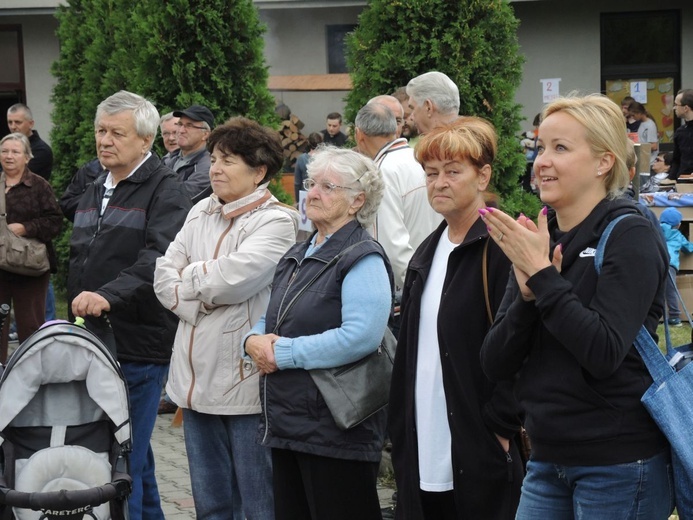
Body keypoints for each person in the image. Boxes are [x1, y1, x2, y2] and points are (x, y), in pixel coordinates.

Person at [479, 94, 674, 519]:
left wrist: (543, 278)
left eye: (560, 148)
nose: (541, 161)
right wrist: (528, 298)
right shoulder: (542, 235)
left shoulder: (630, 234)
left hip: (619, 463)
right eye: (540, 146)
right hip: (547, 458)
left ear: (604, 162)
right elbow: (494, 363)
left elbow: (602, 352)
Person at [154, 117, 298, 519]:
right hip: (192, 384)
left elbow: (232, 282)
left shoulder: (277, 221)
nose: (215, 168)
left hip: (243, 385)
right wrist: (196, 292)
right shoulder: (201, 209)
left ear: (259, 172)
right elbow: (162, 274)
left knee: (257, 503)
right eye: (214, 158)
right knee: (211, 504)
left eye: (228, 160)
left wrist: (190, 285)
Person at [244, 146, 392, 520]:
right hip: (288, 422)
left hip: (336, 431)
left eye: (328, 186)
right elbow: (273, 318)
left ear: (357, 201)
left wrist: (284, 353)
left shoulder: (363, 256)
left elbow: (361, 336)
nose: (312, 193)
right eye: (311, 183)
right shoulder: (300, 251)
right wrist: (252, 340)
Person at [388, 117, 523, 519]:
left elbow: (522, 342)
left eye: (452, 172)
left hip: (475, 444)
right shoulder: (428, 251)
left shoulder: (502, 247)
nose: (439, 183)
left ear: (483, 176)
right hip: (423, 440)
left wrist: (499, 426)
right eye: (431, 173)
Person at [68, 90, 192, 520]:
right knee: (133, 454)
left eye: (116, 133)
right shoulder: (95, 184)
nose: (105, 141)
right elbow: (83, 253)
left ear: (146, 139)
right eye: (100, 131)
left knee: (120, 461)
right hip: (96, 339)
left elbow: (158, 257)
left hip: (139, 343)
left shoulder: (167, 190)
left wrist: (107, 295)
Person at [354, 101, 441, 288]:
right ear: (395, 129)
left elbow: (390, 249)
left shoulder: (381, 172)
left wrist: (415, 288)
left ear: (359, 134)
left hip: (410, 287)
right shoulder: (419, 159)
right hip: (437, 274)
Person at [0, 133, 61, 363]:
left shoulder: (39, 186)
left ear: (27, 157)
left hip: (30, 269)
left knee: (30, 325)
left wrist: (25, 227)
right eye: (5, 151)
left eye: (15, 151)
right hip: (0, 267)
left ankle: (32, 374)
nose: (9, 156)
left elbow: (55, 222)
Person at [168, 104, 214, 202]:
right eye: (180, 124)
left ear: (205, 134)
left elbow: (180, 197)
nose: (181, 130)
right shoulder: (170, 158)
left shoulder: (208, 166)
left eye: (189, 125)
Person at [659, 208, 693, 327]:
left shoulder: (655, 230)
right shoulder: (678, 235)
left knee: (655, 289)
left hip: (656, 262)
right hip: (670, 265)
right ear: (678, 225)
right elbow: (688, 248)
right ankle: (674, 317)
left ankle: (653, 315)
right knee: (670, 290)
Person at [7, 103, 53, 181]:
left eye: (18, 122)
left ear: (31, 124)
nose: (13, 127)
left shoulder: (41, 150)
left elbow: (16, 176)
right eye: (10, 122)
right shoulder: (7, 147)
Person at [669, 88, 693, 180]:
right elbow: (676, 160)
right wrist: (671, 179)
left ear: (686, 108)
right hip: (682, 181)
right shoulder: (680, 131)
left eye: (676, 105)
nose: (674, 108)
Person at [293, 132, 323, 202]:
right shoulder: (325, 159)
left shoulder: (301, 159)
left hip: (305, 195)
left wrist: (298, 201)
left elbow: (297, 183)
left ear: (308, 142)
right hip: (321, 195)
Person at [628, 102, 659, 167]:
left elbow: (654, 146)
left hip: (650, 162)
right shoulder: (641, 123)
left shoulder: (650, 125)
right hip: (643, 161)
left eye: (633, 115)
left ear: (639, 113)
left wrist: (637, 147)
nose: (632, 117)